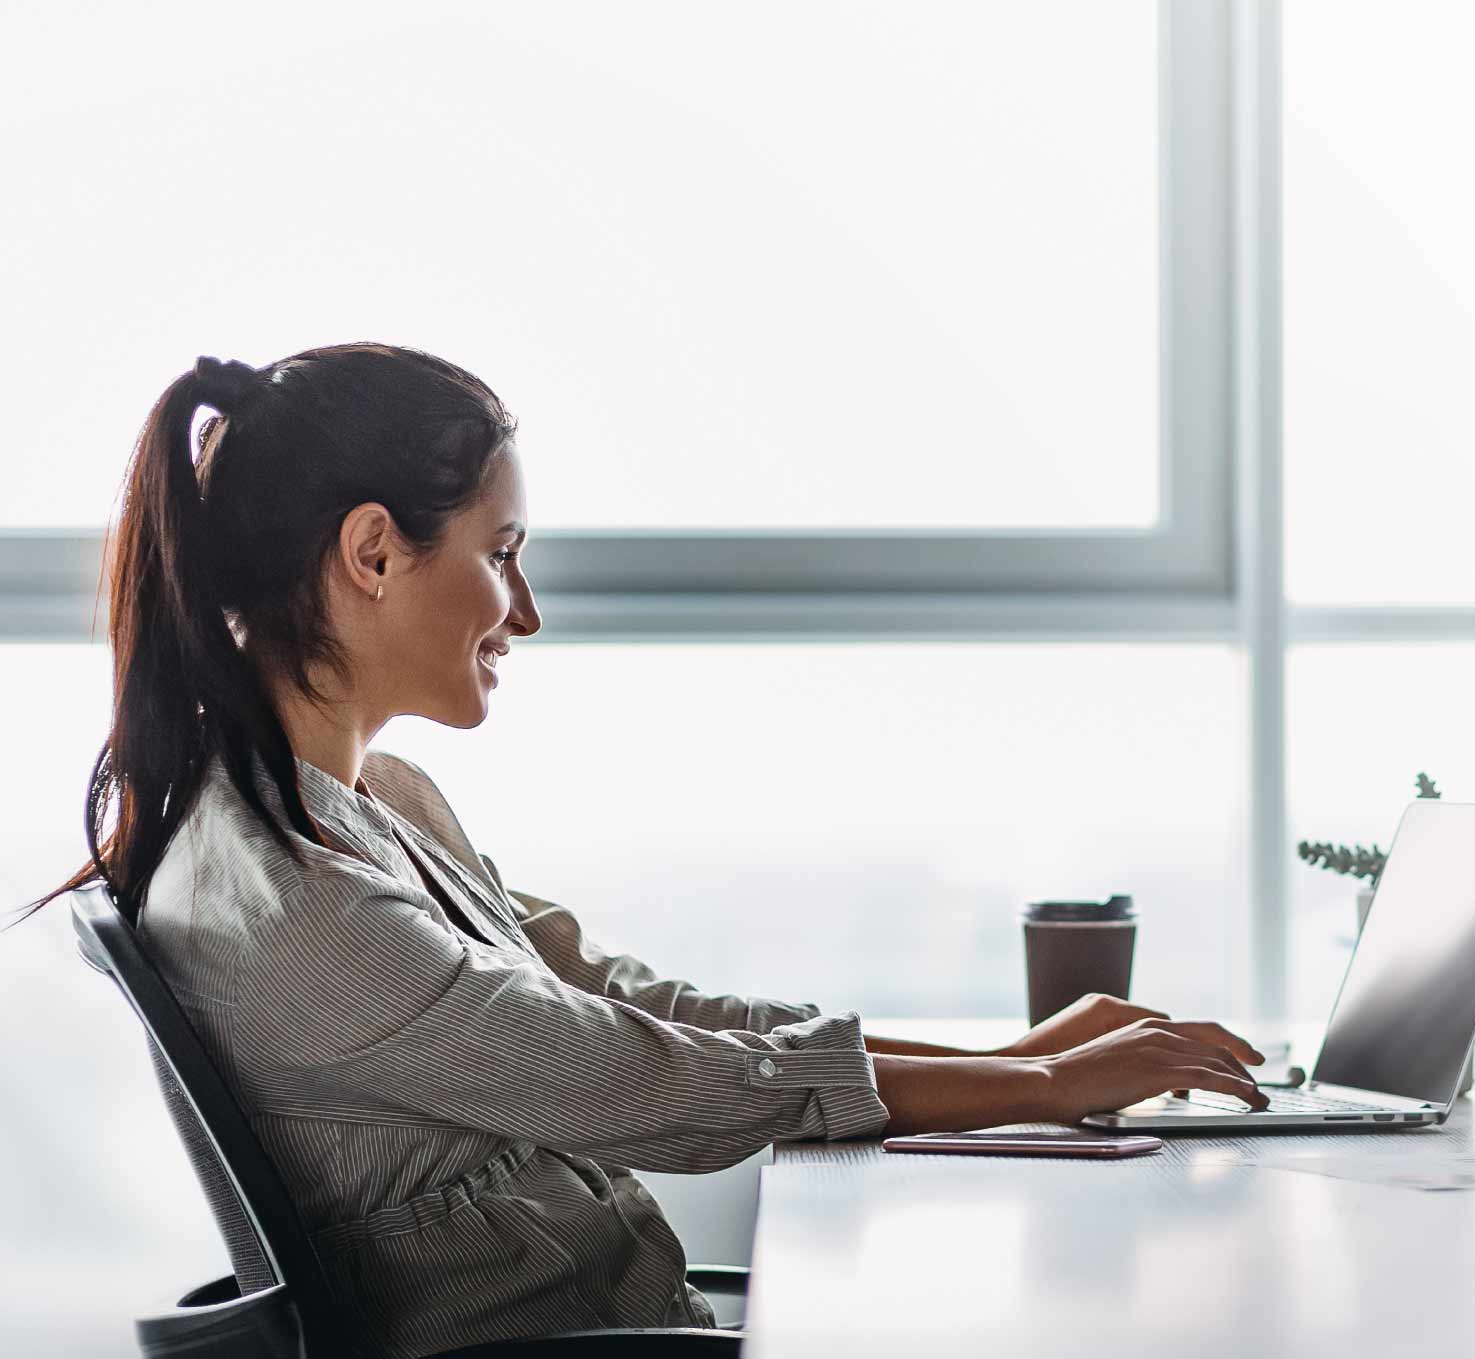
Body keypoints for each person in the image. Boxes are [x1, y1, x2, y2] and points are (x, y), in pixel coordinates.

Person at [28, 343, 1269, 1357]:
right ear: (370, 553)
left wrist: (1000, 1059)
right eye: (499, 554)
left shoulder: (366, 801)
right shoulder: (294, 904)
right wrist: (1041, 1092)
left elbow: (620, 1000)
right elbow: (649, 1086)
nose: (526, 610)